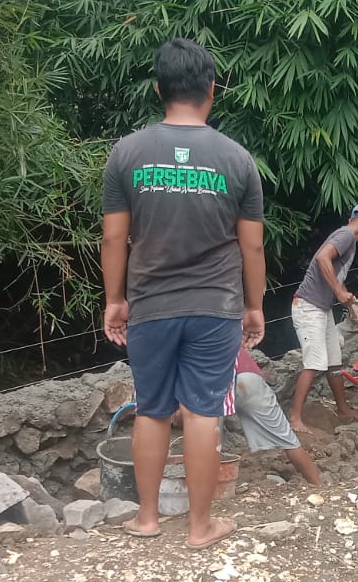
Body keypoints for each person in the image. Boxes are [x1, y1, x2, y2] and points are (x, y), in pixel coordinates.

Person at [100, 38, 266, 550]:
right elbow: (252, 246)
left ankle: (147, 518)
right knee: (201, 411)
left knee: (151, 408)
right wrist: (255, 306)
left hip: (150, 304)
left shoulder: (127, 153)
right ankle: (200, 527)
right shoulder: (237, 160)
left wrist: (115, 300)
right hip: (215, 306)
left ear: (158, 88)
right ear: (212, 89)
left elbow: (112, 237)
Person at [288, 204, 358, 433]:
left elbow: (335, 274)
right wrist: (339, 293)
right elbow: (322, 258)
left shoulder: (346, 237)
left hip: (322, 307)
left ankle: (343, 409)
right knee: (315, 362)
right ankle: (295, 418)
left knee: (333, 360)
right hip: (309, 306)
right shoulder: (346, 235)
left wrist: (346, 298)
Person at [227, 348, 322, 485]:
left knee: (209, 442)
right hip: (247, 377)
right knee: (289, 441)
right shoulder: (222, 328)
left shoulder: (189, 331)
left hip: (213, 381)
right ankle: (318, 485)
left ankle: (211, 494)